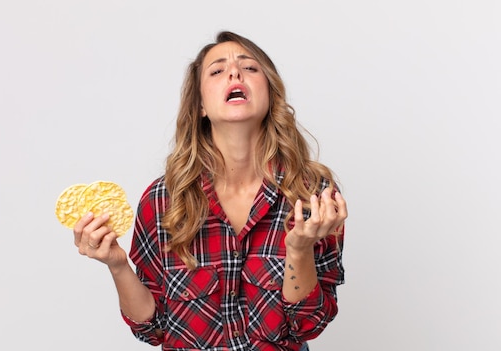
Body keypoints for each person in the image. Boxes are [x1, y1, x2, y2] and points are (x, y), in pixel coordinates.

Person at [73, 31, 347, 351]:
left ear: (270, 93)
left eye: (250, 68)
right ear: (201, 105)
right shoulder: (163, 200)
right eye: (217, 70)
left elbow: (307, 324)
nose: (234, 72)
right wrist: (117, 265)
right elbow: (153, 328)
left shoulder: (313, 194)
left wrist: (299, 250)